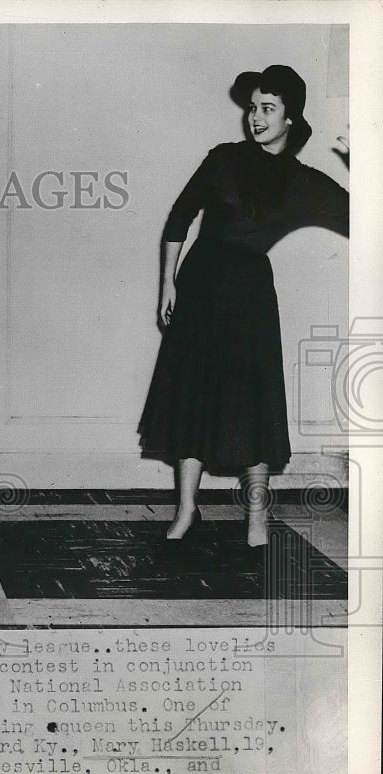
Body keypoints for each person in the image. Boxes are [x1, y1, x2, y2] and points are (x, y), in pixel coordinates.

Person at [138, 65, 349, 549]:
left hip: (249, 297)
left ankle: (257, 517)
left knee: (253, 404)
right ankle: (186, 508)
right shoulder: (223, 158)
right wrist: (167, 284)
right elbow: (179, 217)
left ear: (290, 118)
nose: (255, 117)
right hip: (199, 288)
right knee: (192, 397)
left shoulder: (304, 182)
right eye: (253, 107)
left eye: (267, 109)